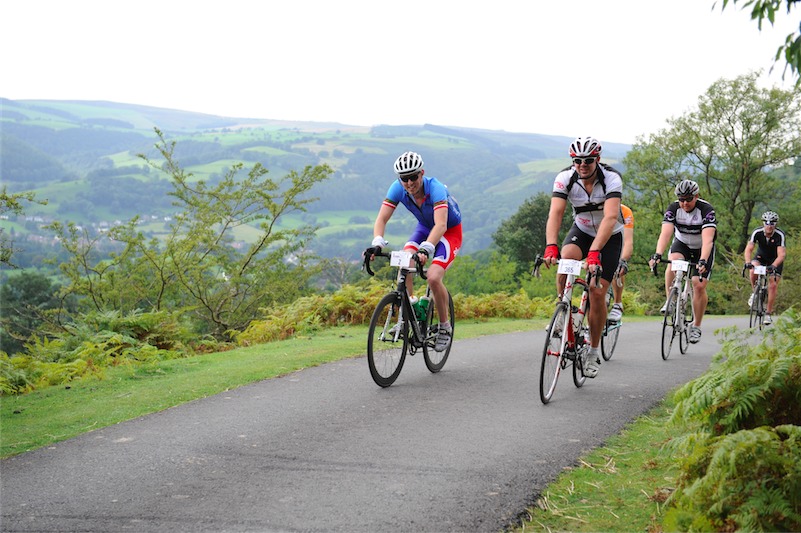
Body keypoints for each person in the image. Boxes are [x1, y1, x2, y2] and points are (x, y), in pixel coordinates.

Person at [543, 136, 624, 378]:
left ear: (597, 159)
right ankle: (563, 307)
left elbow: (610, 217)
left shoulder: (611, 178)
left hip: (609, 236)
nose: (582, 165)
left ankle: (593, 352)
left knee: (597, 292)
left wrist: (595, 252)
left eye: (588, 160)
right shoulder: (565, 178)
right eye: (577, 160)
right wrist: (551, 245)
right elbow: (556, 213)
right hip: (582, 230)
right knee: (566, 259)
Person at [367, 151, 462, 352]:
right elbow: (381, 219)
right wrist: (377, 242)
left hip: (448, 231)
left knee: (434, 277)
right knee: (404, 263)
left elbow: (441, 225)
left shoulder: (435, 188)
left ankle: (445, 327)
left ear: (422, 173)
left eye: (413, 177)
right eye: (404, 178)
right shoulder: (397, 189)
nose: (409, 182)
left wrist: (427, 249)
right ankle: (407, 314)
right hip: (424, 228)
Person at [648, 179, 717, 344]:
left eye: (688, 199)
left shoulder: (706, 210)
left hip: (702, 248)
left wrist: (703, 260)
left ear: (696, 196)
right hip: (682, 244)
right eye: (681, 199)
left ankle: (696, 326)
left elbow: (708, 240)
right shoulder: (673, 208)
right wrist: (658, 253)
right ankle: (670, 301)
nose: (684, 203)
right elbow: (665, 234)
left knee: (698, 285)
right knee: (673, 263)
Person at [743, 210, 786, 325]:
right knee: (753, 269)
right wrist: (748, 262)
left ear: (775, 224)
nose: (769, 225)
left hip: (775, 260)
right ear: (763, 223)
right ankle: (755, 293)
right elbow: (749, 249)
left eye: (772, 223)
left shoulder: (779, 235)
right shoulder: (757, 232)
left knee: (773, 284)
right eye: (767, 223)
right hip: (761, 257)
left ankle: (768, 313)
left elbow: (781, 254)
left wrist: (773, 266)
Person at [607, 204, 634, 322]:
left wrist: (623, 260)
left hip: (617, 242)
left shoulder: (624, 211)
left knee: (617, 265)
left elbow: (628, 242)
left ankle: (617, 303)